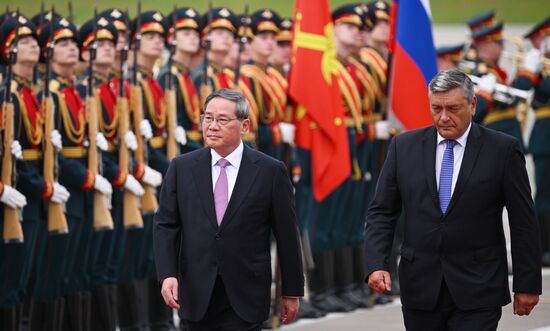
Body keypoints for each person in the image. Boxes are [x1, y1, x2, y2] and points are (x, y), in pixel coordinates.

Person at [364, 69, 542, 330]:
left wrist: (527, 284)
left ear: (472, 105)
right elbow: (382, 212)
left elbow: (523, 221)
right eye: (436, 108)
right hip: (420, 288)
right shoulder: (404, 148)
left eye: (453, 108)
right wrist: (376, 264)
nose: (444, 117)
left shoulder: (502, 150)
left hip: (479, 288)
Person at [153, 88, 304, 330]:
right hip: (196, 292)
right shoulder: (182, 168)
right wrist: (167, 274)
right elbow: (166, 225)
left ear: (244, 126)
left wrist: (292, 291)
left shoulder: (269, 171)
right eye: (207, 118)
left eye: (222, 120)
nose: (212, 126)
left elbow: (287, 234)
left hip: (246, 292)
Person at [512, 17, 550, 266]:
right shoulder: (535, 67)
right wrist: (530, 67)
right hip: (545, 136)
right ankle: (544, 248)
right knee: (545, 197)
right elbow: (527, 93)